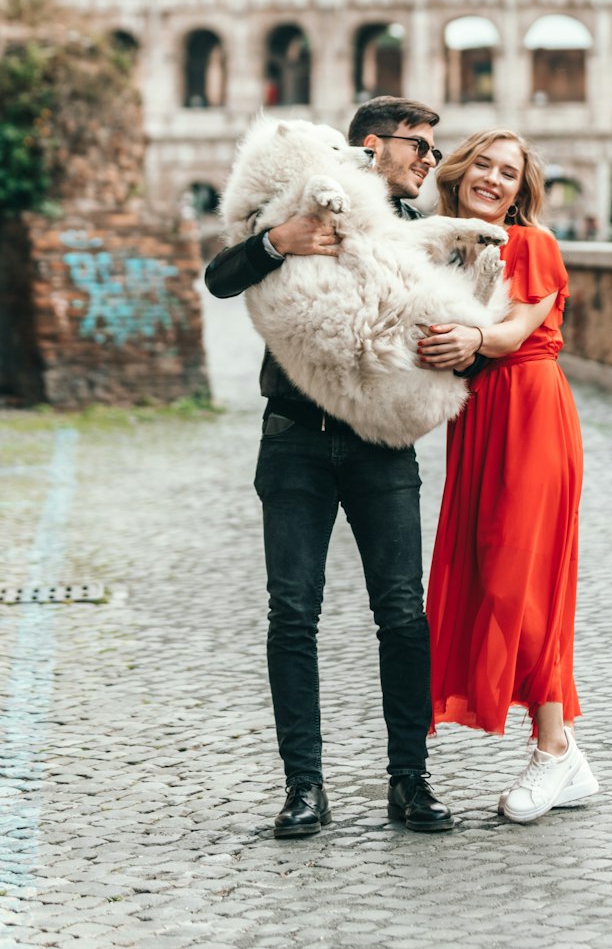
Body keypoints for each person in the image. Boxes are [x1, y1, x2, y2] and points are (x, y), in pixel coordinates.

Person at [205, 96, 479, 838]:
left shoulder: (420, 234)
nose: (428, 160)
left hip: (381, 449)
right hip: (294, 436)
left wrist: (469, 348)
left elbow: (458, 337)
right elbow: (221, 276)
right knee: (292, 614)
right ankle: (303, 788)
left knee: (400, 613)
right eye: (417, 146)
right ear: (370, 146)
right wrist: (280, 242)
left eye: (431, 147)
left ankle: (410, 781)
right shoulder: (298, 206)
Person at [417, 129, 599, 824]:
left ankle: (553, 751)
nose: (493, 179)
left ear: (521, 190)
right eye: (483, 166)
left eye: (508, 173)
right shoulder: (446, 249)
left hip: (529, 411)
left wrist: (473, 340)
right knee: (490, 570)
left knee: (518, 582)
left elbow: (517, 330)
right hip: (479, 418)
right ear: (460, 175)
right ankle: (565, 754)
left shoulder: (531, 245)